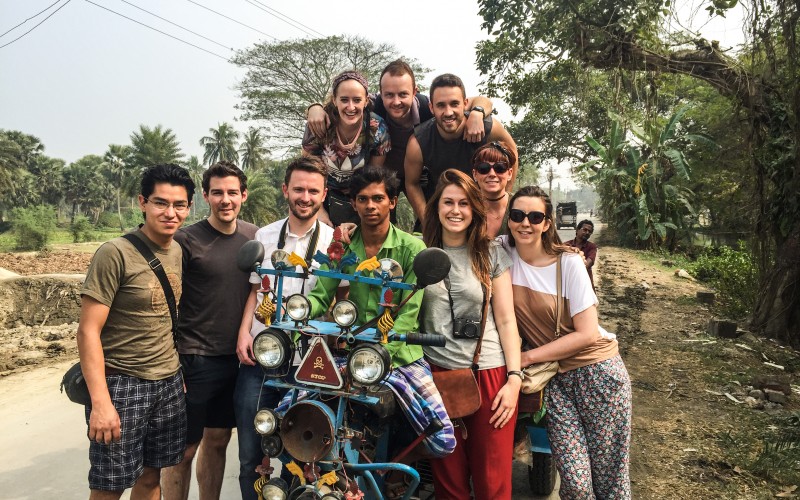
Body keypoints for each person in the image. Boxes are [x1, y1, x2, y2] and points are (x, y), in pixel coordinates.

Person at [305, 165, 456, 488]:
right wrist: (299, 316)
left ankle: (395, 470)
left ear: (392, 201)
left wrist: (380, 354)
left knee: (443, 438)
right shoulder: (342, 246)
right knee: (292, 411)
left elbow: (408, 313)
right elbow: (321, 294)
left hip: (399, 356)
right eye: (363, 199)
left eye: (378, 198)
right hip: (353, 352)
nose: (370, 206)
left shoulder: (412, 249)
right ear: (354, 204)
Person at [502, 186, 631, 499]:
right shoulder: (502, 255)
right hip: (557, 381)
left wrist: (526, 359)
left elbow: (587, 333)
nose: (525, 223)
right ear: (509, 220)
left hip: (598, 373)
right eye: (517, 215)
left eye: (536, 217)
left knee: (608, 481)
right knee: (574, 483)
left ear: (547, 223)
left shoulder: (568, 263)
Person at [76, 164, 195, 500]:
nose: (170, 213)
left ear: (188, 208)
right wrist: (100, 402)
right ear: (142, 202)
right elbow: (87, 331)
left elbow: (165, 318)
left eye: (179, 205)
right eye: (161, 203)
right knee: (108, 484)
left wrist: (175, 371)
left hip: (169, 381)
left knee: (151, 476)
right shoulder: (115, 253)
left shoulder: (177, 252)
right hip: (122, 383)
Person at [235, 156, 335, 500]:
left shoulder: (334, 244)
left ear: (324, 195)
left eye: (312, 191)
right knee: (251, 454)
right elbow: (254, 290)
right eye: (298, 189)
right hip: (262, 356)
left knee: (303, 455)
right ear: (285, 190)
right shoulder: (265, 235)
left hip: (308, 362)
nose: (304, 197)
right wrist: (243, 334)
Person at [420, 169, 521, 499]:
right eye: (448, 202)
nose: (455, 210)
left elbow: (507, 321)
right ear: (436, 208)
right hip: (437, 378)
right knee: (449, 484)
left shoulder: (490, 253)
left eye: (464, 203)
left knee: (493, 484)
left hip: (488, 374)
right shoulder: (418, 253)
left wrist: (514, 380)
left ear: (474, 209)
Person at [161, 162, 258, 500]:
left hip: (237, 360)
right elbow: (166, 303)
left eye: (232, 192)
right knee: (183, 450)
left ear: (243, 195)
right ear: (206, 196)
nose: (225, 199)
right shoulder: (186, 241)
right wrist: (173, 361)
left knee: (218, 442)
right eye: (217, 192)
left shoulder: (254, 237)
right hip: (194, 359)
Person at [307, 60, 493, 194]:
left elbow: (480, 100)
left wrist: (477, 112)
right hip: (385, 175)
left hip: (421, 174)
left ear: (414, 92)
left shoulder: (432, 108)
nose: (396, 102)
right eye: (389, 95)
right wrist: (315, 108)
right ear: (380, 94)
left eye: (403, 94)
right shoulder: (372, 105)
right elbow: (345, 102)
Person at [405, 73, 519, 229]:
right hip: (443, 211)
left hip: (484, 211)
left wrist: (502, 200)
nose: (448, 112)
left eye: (454, 104)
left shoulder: (488, 127)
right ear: (431, 107)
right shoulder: (418, 141)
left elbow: (512, 153)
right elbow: (411, 183)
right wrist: (428, 221)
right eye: (441, 105)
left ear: (465, 104)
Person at [302, 70, 391, 227]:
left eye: (357, 100)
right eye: (344, 100)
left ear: (366, 101)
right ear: (335, 100)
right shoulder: (320, 124)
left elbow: (373, 179)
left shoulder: (377, 129)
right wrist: (319, 211)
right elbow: (307, 173)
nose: (351, 107)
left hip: (358, 200)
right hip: (321, 198)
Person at [470, 140, 517, 237]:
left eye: (500, 168)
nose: (492, 174)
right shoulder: (466, 207)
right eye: (484, 168)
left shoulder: (521, 206)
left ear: (509, 173)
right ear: (475, 174)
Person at [566, 219, 597, 290]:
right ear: (577, 230)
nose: (587, 232)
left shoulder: (591, 246)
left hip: (585, 282)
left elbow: (589, 263)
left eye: (590, 231)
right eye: (584, 230)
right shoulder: (566, 245)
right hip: (569, 282)